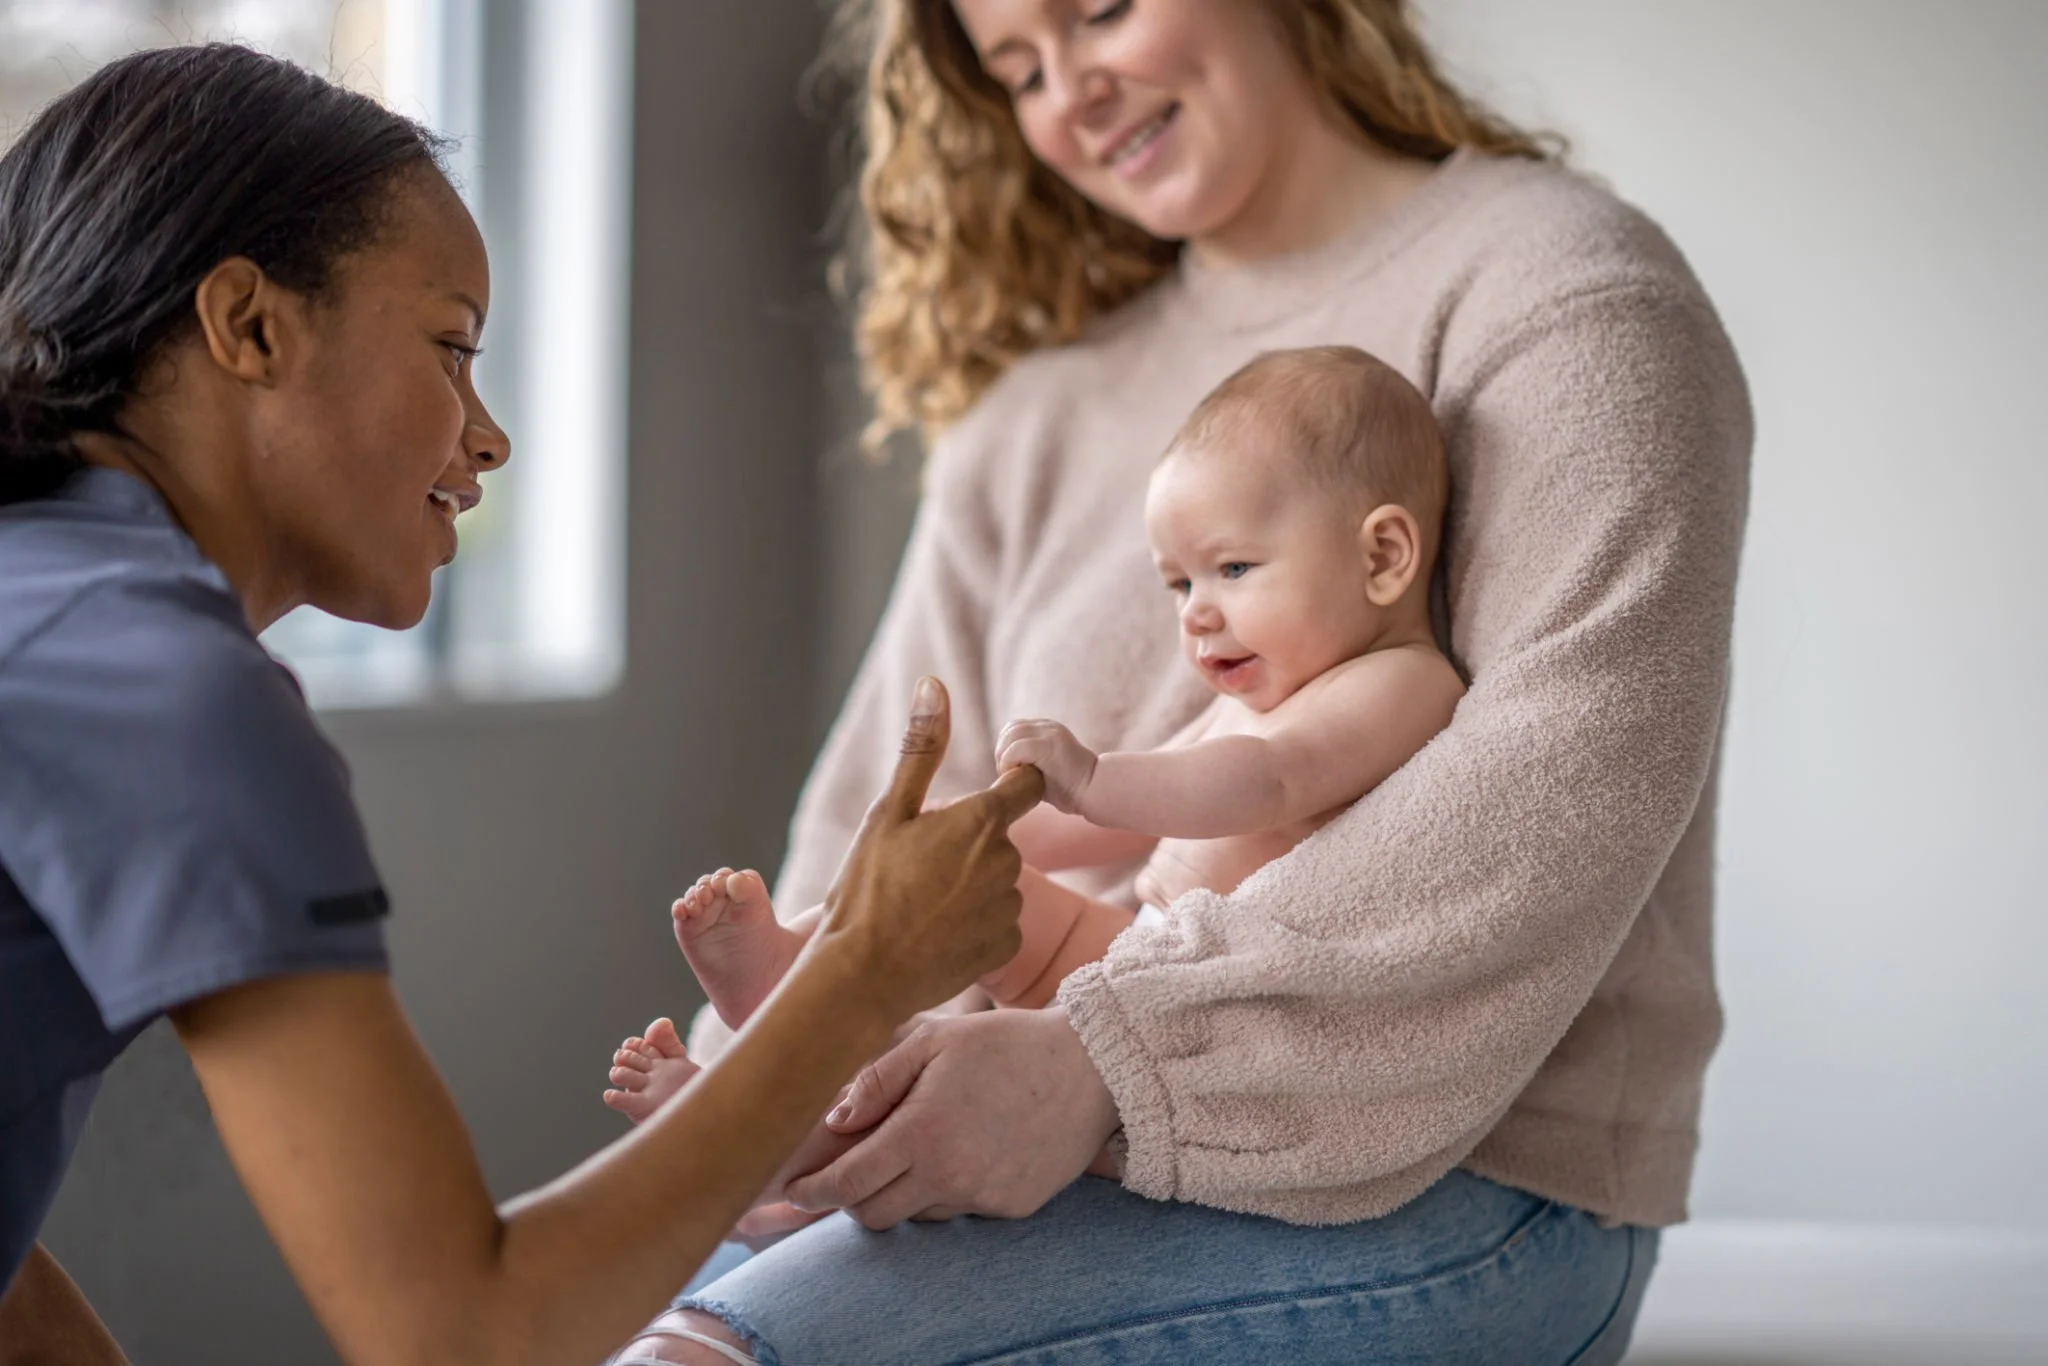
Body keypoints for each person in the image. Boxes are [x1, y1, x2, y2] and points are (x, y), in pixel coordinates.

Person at [618, 0, 1750, 1363]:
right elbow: (885, 804)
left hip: (1468, 1186)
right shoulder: (1030, 419)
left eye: (1096, 10)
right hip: (1012, 1122)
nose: (1072, 92)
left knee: (715, 1352)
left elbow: (1555, 790)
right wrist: (740, 1113)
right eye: (1018, 68)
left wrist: (1106, 1062)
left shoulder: (1561, 297)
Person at [0, 44, 1040, 1366]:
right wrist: (865, 971)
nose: (488, 436)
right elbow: (460, 1331)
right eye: (450, 347)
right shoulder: (163, 688)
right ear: (248, 324)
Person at [605, 345, 1463, 1125]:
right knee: (939, 887)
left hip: (1180, 990)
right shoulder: (1275, 691)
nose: (1198, 614)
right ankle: (790, 990)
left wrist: (1085, 777)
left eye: (1233, 568)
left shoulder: (1403, 684)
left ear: (1384, 556)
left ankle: (777, 1071)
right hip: (1132, 940)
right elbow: (1156, 805)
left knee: (984, 909)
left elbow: (1264, 781)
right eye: (1179, 584)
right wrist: (989, 821)